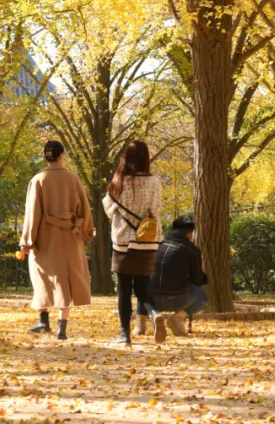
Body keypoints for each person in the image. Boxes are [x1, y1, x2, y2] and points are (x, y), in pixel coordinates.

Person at [20, 140, 95, 341]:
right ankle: (62, 328)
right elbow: (85, 210)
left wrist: (27, 240)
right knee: (67, 280)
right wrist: (86, 232)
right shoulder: (73, 179)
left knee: (42, 276)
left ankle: (43, 321)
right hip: (71, 236)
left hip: (46, 238)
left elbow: (32, 213)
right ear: (62, 156)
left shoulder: (38, 180)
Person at [102, 140, 162, 346]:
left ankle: (124, 334)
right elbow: (156, 210)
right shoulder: (155, 182)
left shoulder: (118, 182)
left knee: (125, 289)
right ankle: (154, 314)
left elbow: (108, 210)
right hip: (147, 242)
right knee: (143, 289)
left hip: (124, 243)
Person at [149, 216, 208, 343]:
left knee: (143, 290)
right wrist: (202, 272)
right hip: (177, 298)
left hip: (152, 298)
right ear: (190, 234)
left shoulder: (156, 244)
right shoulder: (192, 250)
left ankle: (154, 314)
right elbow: (197, 280)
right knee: (203, 296)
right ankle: (178, 317)